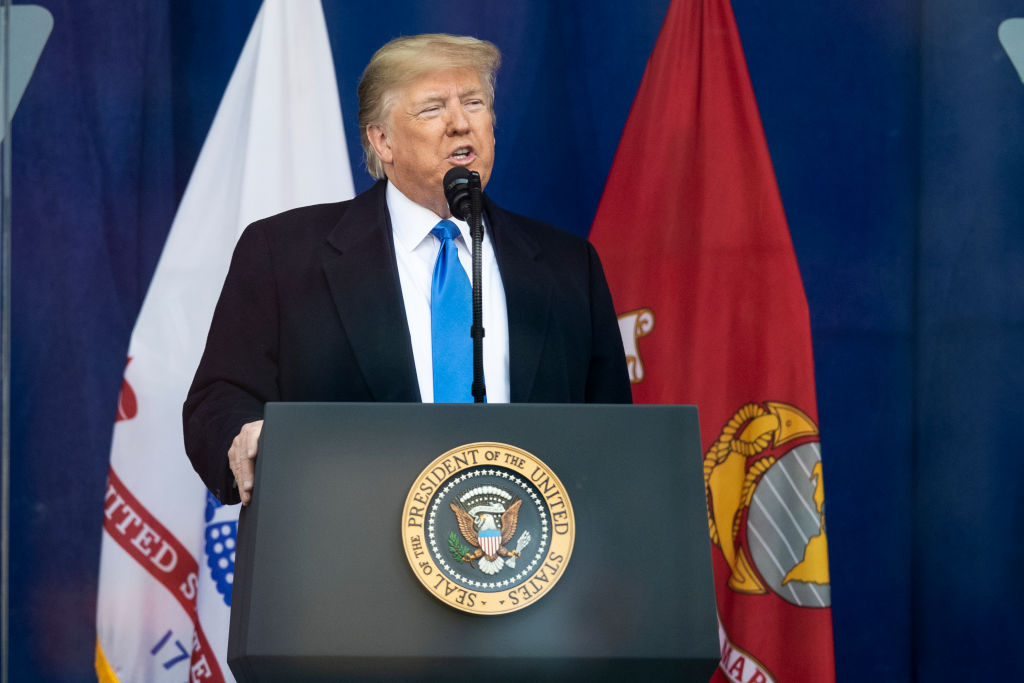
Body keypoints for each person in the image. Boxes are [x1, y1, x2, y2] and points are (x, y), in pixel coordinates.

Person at [183, 34, 631, 506]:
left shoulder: (567, 267)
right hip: (348, 549)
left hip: (529, 555)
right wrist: (246, 436)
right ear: (382, 140)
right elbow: (219, 398)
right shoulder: (285, 254)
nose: (460, 123)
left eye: (474, 103)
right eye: (434, 108)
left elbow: (616, 436)